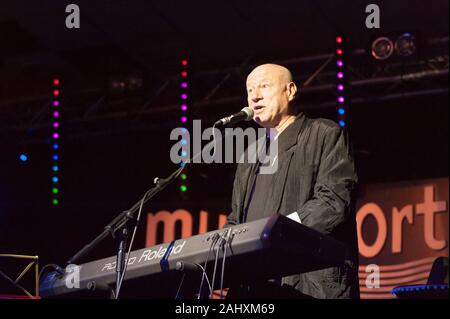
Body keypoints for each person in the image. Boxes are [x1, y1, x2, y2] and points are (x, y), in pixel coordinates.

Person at [225, 63, 360, 299]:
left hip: (309, 285)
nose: (254, 96)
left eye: (264, 86)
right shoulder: (249, 157)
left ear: (290, 91)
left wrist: (281, 232)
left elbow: (334, 202)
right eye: (249, 90)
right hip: (254, 289)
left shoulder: (324, 134)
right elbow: (236, 221)